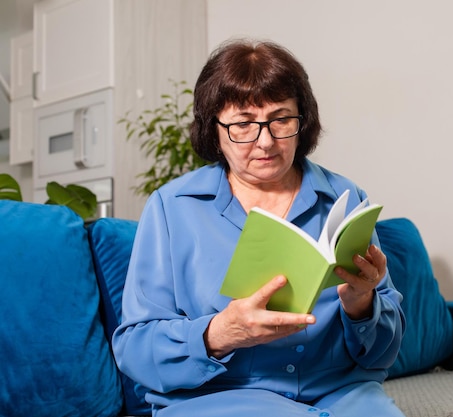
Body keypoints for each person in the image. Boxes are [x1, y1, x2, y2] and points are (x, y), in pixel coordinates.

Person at [112, 39, 406, 417]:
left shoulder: (344, 197)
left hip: (339, 393)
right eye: (243, 124)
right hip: (218, 398)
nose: (265, 142)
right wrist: (219, 333)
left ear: (303, 121)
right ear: (214, 129)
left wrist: (361, 303)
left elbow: (387, 350)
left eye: (281, 119)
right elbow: (135, 350)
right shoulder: (172, 208)